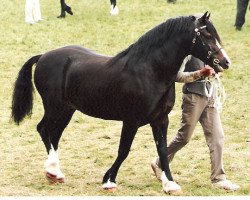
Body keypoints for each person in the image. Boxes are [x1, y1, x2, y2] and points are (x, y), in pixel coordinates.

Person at [151, 56, 240, 191]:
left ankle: (218, 178)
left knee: (218, 136)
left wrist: (216, 71)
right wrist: (199, 74)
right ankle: (159, 162)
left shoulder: (210, 49)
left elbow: (220, 68)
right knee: (184, 137)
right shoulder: (188, 52)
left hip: (210, 96)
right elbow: (176, 75)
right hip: (193, 97)